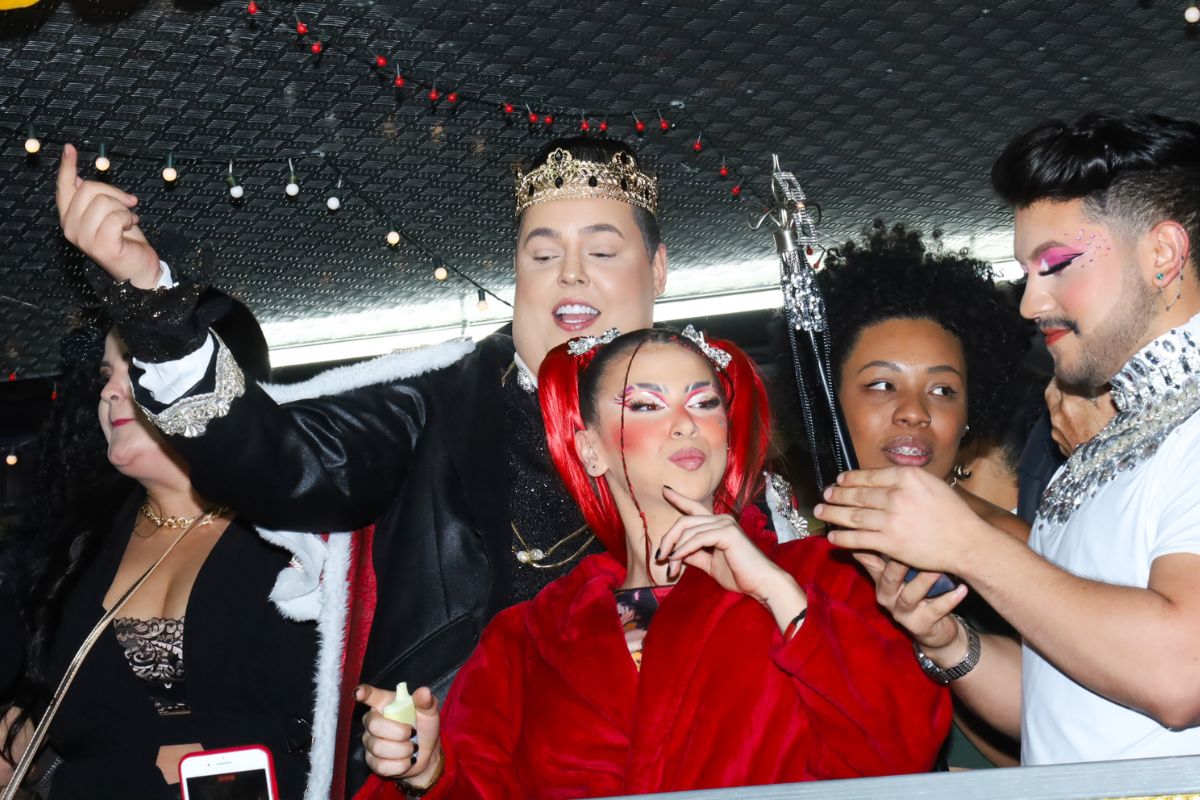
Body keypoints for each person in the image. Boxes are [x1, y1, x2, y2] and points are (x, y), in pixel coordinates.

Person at [53, 136, 683, 796]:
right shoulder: (433, 404)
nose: (571, 274)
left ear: (659, 268)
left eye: (602, 252)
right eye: (544, 254)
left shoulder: (714, 424)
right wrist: (152, 298)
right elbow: (276, 458)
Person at [354, 327, 951, 798]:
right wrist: (427, 772)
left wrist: (776, 590)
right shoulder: (529, 639)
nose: (685, 423)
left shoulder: (824, 576)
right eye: (645, 405)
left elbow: (900, 751)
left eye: (705, 402)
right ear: (589, 450)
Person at [815, 111, 1200, 764]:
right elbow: (1064, 706)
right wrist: (948, 642)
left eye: (1056, 265)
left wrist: (969, 546)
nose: (1030, 303)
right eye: (1027, 272)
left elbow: (1180, 675)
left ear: (1161, 254)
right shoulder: (1099, 454)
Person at [0, 305, 322, 799]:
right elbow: (68, 723)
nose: (109, 391)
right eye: (106, 375)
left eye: (135, 367)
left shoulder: (305, 533)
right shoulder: (76, 549)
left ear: (213, 376)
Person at [815, 223, 1030, 769]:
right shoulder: (794, 553)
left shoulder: (1020, 551)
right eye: (882, 385)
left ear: (968, 416)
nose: (914, 411)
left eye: (942, 390)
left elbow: (1069, 736)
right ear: (828, 404)